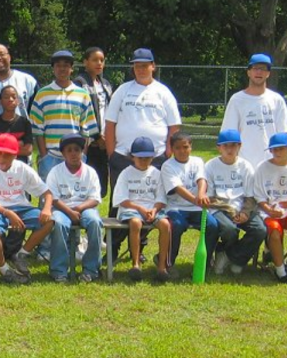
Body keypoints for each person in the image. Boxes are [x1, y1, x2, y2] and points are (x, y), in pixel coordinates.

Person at [105, 48, 182, 259]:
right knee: (119, 203)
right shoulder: (123, 90)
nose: (140, 69)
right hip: (123, 157)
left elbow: (174, 127)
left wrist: (167, 154)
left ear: (153, 66)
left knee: (150, 202)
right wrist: (112, 154)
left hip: (154, 158)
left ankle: (138, 250)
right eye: (137, 65)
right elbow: (110, 124)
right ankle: (112, 249)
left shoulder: (163, 92)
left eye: (144, 65)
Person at [0, 134, 54, 284]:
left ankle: (21, 254)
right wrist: (8, 213)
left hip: (21, 208)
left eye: (7, 154)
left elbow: (47, 192)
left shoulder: (23, 168)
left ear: (15, 155)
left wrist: (46, 209)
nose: (2, 157)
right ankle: (3, 268)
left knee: (50, 221)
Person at [205, 129, 267, 275]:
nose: (229, 149)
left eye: (233, 145)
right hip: (218, 209)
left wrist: (245, 212)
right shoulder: (210, 166)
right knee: (229, 230)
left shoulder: (245, 166)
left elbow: (250, 196)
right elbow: (209, 197)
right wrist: (229, 210)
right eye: (225, 145)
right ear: (218, 148)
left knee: (260, 230)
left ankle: (233, 257)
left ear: (239, 146)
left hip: (241, 208)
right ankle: (223, 252)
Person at [30, 50, 98, 180]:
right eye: (58, 65)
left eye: (66, 65)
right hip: (50, 156)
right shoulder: (42, 94)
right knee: (49, 191)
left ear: (71, 69)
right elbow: (38, 129)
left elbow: (86, 129)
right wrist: (44, 156)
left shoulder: (82, 94)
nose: (62, 69)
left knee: (74, 191)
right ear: (53, 69)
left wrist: (82, 155)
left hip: (75, 156)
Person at [111, 136, 171, 282]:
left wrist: (154, 210)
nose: (144, 161)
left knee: (165, 224)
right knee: (136, 223)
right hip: (131, 209)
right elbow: (121, 199)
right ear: (132, 157)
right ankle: (135, 264)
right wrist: (140, 208)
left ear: (153, 157)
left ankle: (162, 266)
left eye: (147, 158)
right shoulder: (126, 173)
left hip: (152, 209)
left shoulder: (156, 173)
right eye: (140, 158)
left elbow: (161, 198)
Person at [160, 132, 219, 278]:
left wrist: (201, 194)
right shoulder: (168, 166)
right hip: (176, 208)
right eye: (178, 148)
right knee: (177, 225)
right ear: (172, 149)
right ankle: (168, 262)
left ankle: (205, 263)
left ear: (191, 147)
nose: (182, 151)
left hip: (197, 208)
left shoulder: (197, 161)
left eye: (185, 147)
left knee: (212, 226)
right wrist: (195, 199)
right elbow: (178, 188)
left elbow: (201, 179)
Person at [46, 134, 103, 282]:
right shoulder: (55, 172)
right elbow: (53, 198)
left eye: (77, 150)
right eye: (69, 150)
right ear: (63, 153)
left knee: (95, 222)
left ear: (82, 152)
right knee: (58, 223)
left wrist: (78, 208)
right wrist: (69, 212)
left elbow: (95, 198)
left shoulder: (90, 172)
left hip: (84, 208)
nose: (73, 153)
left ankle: (91, 269)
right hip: (62, 209)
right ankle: (59, 270)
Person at [253, 133, 287, 284]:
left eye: (281, 149)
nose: (277, 152)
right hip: (269, 212)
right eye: (274, 149)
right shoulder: (262, 168)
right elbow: (258, 196)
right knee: (275, 232)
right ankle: (280, 270)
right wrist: (268, 209)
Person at [220, 53, 287, 167]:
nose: (259, 72)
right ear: (248, 72)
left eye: (263, 69)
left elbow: (283, 136)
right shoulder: (237, 100)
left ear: (268, 73)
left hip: (272, 164)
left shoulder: (277, 100)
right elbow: (229, 135)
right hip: (244, 165)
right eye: (255, 68)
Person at [73, 46, 113, 198]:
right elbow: (79, 113)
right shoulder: (79, 83)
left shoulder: (106, 84)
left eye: (102, 60)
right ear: (85, 62)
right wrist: (96, 136)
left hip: (105, 141)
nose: (99, 63)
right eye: (95, 60)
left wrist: (108, 136)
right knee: (85, 181)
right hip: (88, 142)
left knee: (101, 185)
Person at [0, 85, 34, 164]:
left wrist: (2, 145)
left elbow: (28, 150)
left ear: (18, 101)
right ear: (0, 102)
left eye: (14, 97)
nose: (10, 99)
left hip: (20, 166)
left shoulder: (25, 123)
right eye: (6, 97)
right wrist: (20, 143)